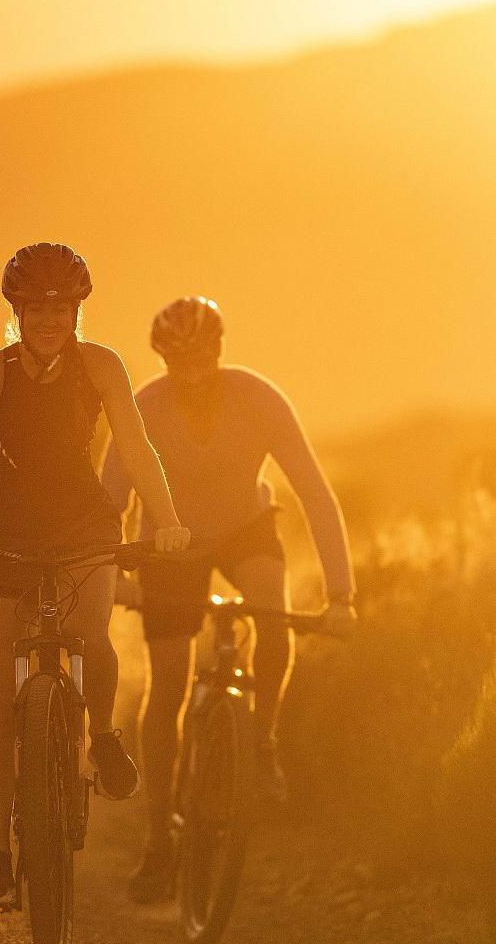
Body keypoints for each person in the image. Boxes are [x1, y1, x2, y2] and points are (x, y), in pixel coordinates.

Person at [0, 243, 190, 908]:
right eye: (36, 308)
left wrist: (167, 519)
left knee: (93, 637)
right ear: (17, 310)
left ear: (77, 310)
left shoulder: (102, 368)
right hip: (0, 534)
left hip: (82, 526)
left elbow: (137, 447)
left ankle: (105, 735)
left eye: (60, 308)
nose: (49, 320)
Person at [100, 295, 356, 903]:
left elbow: (316, 495)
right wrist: (114, 573)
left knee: (273, 613)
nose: (193, 372)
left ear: (220, 349)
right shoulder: (144, 410)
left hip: (244, 530)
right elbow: (107, 506)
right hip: (166, 546)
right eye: (179, 361)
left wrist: (342, 594)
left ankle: (260, 739)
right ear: (162, 359)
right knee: (169, 681)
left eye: (204, 357)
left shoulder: (259, 399)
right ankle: (159, 833)